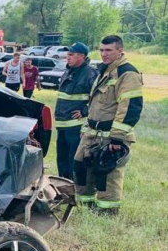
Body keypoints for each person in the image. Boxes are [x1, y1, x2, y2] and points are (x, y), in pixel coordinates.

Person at [74, 34, 144, 214]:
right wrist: (86, 127)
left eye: (109, 50)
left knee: (107, 174)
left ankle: (107, 213)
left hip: (111, 136)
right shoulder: (104, 71)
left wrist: (117, 138)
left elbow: (130, 107)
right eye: (101, 50)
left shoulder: (127, 73)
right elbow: (95, 104)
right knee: (80, 166)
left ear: (120, 51)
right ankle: (85, 207)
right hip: (92, 133)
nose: (104, 54)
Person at [54, 42, 98, 180]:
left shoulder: (91, 74)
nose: (68, 57)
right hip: (62, 125)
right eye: (67, 54)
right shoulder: (68, 71)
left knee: (74, 160)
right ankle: (62, 186)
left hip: (76, 126)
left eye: (71, 55)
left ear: (82, 56)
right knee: (62, 159)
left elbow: (98, 98)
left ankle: (75, 189)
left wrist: (84, 111)